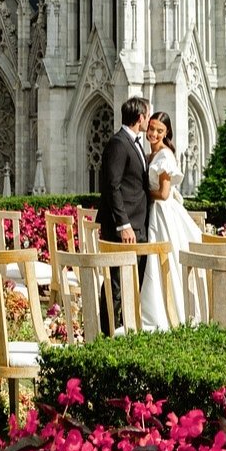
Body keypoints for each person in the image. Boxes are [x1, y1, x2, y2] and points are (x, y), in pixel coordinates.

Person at [139, 111, 201, 330]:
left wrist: (142, 192)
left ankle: (168, 311)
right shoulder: (150, 155)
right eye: (152, 128)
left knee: (163, 259)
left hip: (162, 213)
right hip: (154, 211)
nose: (154, 133)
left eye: (160, 130)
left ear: (167, 133)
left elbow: (164, 194)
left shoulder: (165, 156)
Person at [96, 95, 152, 328]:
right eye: (147, 115)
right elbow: (112, 186)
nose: (148, 120)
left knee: (131, 279)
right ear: (140, 118)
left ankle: (125, 326)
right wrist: (123, 224)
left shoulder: (135, 143)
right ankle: (110, 330)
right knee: (116, 282)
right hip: (125, 227)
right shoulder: (119, 143)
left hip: (136, 223)